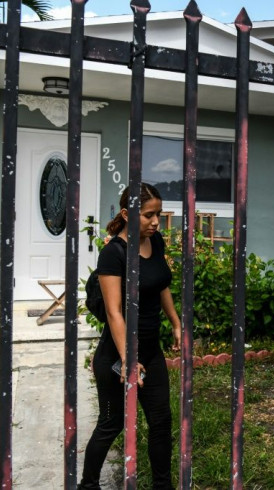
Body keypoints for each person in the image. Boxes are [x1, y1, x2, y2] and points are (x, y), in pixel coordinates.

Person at [79, 183, 181, 490]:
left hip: (151, 352)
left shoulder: (156, 241)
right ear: (127, 214)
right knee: (111, 424)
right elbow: (114, 313)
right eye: (149, 215)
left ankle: (162, 486)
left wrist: (175, 321)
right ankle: (88, 485)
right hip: (117, 356)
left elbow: (161, 283)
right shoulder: (114, 254)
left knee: (161, 423)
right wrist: (129, 359)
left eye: (158, 215)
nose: (155, 222)